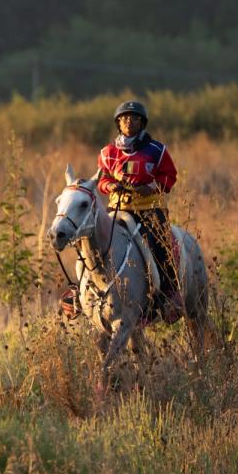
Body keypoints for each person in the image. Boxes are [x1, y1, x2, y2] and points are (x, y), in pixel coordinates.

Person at [96, 99, 183, 320]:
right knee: (92, 240)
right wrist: (109, 185)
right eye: (124, 118)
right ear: (118, 123)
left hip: (149, 209)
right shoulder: (108, 152)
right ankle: (83, 292)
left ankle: (169, 294)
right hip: (117, 209)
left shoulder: (157, 150)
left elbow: (169, 176)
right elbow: (101, 179)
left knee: (158, 244)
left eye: (134, 118)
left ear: (142, 123)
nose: (128, 122)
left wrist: (151, 187)